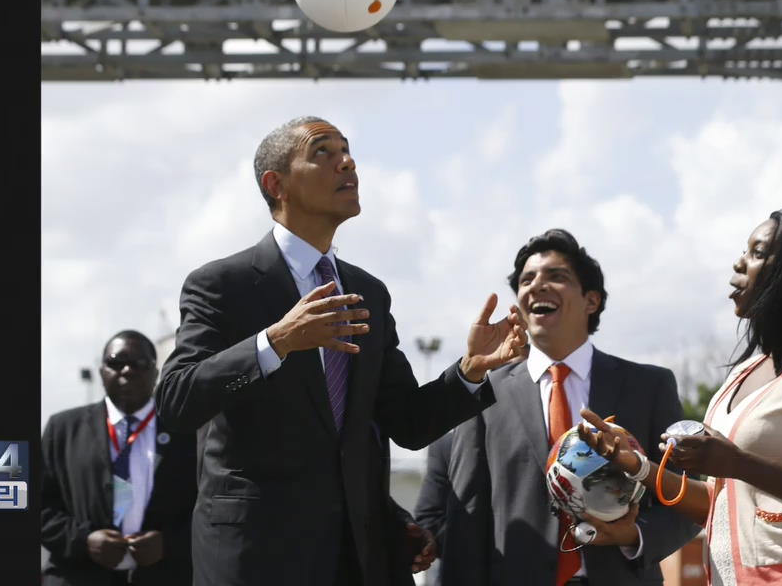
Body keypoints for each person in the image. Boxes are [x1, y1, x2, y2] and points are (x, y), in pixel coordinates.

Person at [155, 116, 526, 586]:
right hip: (257, 557)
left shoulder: (368, 291)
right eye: (322, 152)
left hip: (355, 555)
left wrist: (471, 370)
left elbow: (407, 423)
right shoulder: (222, 286)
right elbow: (176, 401)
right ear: (277, 184)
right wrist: (276, 342)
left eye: (347, 150)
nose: (347, 162)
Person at [579, 206, 782, 586]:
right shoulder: (746, 371)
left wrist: (740, 464)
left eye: (757, 254)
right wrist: (638, 466)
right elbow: (721, 503)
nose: (739, 264)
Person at [414, 228, 700, 585]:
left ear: (591, 301)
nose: (537, 286)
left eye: (556, 276)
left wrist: (632, 536)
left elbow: (687, 500)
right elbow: (467, 517)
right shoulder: (485, 393)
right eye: (526, 280)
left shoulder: (649, 386)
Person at [41, 330, 197, 586]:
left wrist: (170, 543)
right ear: (102, 371)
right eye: (116, 363)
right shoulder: (62, 429)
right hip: (79, 577)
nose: (127, 370)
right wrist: (83, 541)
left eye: (139, 363)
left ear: (155, 373)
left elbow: (208, 505)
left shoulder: (187, 432)